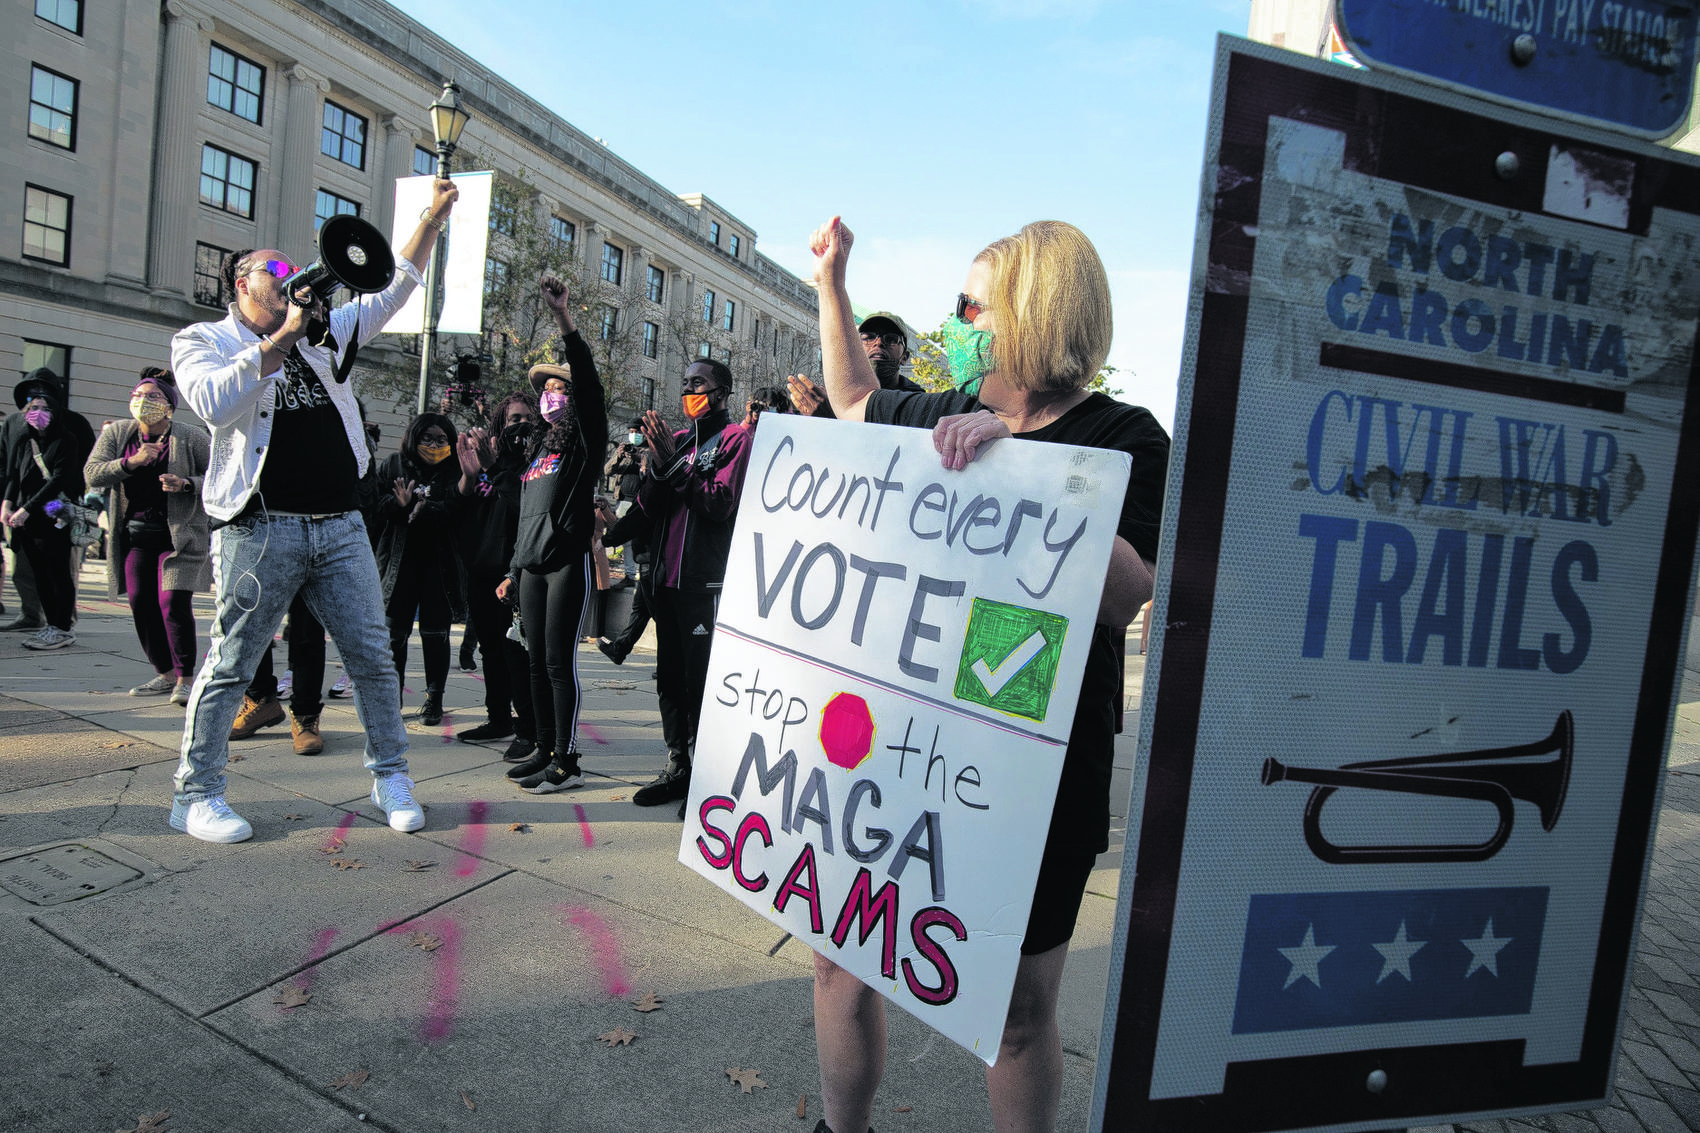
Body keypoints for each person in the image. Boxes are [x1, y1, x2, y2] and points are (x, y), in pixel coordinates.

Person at [805, 216, 1169, 1133]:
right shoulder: (941, 413)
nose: (956, 321)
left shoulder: (1128, 436)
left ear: (1033, 314)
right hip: (903, 750)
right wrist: (831, 283)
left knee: (1011, 1014)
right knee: (841, 959)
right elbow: (850, 396)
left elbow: (1131, 593)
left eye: (973, 305)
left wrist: (1019, 473)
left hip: (1036, 770)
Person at [165, 177, 459, 844]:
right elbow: (213, 402)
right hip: (262, 526)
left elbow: (396, 282)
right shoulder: (203, 341)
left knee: (373, 656)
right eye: (272, 267)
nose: (288, 273)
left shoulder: (325, 336)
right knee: (233, 662)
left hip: (339, 524)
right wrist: (278, 341)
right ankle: (197, 793)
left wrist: (432, 220)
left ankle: (391, 775)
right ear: (241, 284)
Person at [495, 274, 607, 793]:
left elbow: (585, 377)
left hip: (565, 561)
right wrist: (514, 570)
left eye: (561, 387)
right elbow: (526, 515)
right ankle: (542, 745)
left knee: (559, 663)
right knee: (535, 660)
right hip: (532, 565)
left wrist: (564, 317)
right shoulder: (538, 450)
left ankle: (566, 758)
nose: (552, 395)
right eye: (547, 389)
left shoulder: (584, 440)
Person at [627, 356, 753, 809]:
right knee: (670, 679)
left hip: (702, 584)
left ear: (722, 392)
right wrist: (658, 464)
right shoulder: (678, 438)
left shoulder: (735, 439)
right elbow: (648, 504)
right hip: (665, 582)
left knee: (701, 681)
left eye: (698, 383)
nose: (688, 390)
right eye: (684, 383)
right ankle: (677, 763)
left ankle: (708, 775)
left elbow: (719, 503)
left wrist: (677, 468)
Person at [84, 368, 211, 702]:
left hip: (179, 539)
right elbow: (92, 474)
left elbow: (220, 476)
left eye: (152, 396)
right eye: (137, 395)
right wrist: (131, 462)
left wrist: (186, 485)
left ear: (169, 405)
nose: (143, 401)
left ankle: (185, 679)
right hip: (135, 536)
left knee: (172, 603)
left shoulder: (191, 436)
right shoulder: (119, 435)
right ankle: (164, 674)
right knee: (141, 602)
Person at [453, 392, 540, 760]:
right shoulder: (485, 458)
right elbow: (459, 508)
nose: (518, 425)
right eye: (511, 419)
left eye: (525, 418)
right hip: (481, 569)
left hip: (515, 570)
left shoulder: (534, 463)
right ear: (498, 425)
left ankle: (528, 727)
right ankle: (498, 717)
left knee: (515, 651)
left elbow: (526, 509)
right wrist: (470, 477)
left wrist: (495, 471)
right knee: (490, 648)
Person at [373, 412, 465, 728]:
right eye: (428, 438)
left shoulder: (456, 470)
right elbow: (376, 507)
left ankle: (434, 700)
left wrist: (427, 509)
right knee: (394, 633)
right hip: (400, 561)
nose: (435, 445)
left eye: (442, 440)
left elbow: (459, 511)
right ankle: (392, 699)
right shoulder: (394, 464)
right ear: (415, 438)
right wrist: (400, 505)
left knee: (435, 634)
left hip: (439, 565)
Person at [1, 369, 94, 634]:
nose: (38, 405)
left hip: (57, 507)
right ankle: (32, 615)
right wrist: (7, 503)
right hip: (22, 508)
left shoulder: (72, 428)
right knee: (27, 568)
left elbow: (70, 475)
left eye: (45, 398)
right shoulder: (16, 426)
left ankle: (62, 621)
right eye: (33, 398)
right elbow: (9, 468)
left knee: (59, 567)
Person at [786, 310, 922, 417]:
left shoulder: (918, 404)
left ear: (904, 357)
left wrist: (833, 419)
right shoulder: (832, 397)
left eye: (891, 339)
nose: (878, 343)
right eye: (868, 337)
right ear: (855, 349)